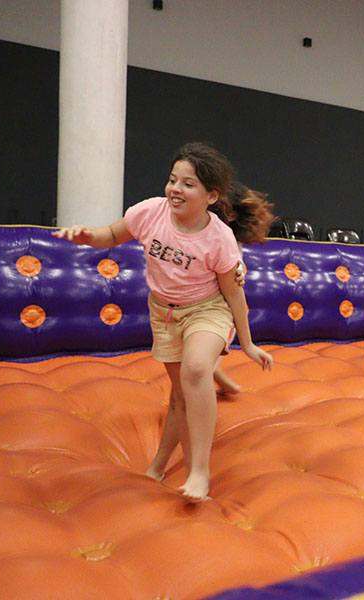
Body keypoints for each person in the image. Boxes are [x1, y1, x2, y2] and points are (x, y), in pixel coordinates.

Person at [53, 142, 273, 502]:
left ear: (211, 196)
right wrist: (88, 237)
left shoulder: (219, 238)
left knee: (196, 368)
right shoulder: (150, 212)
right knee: (181, 395)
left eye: (188, 184)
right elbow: (113, 234)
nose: (175, 189)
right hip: (164, 312)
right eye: (173, 180)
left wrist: (247, 343)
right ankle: (162, 462)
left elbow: (234, 295)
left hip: (207, 309)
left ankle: (199, 471)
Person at [212, 181, 275, 395]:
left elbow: (235, 294)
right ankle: (218, 376)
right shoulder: (209, 235)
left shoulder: (228, 247)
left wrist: (247, 344)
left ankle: (215, 379)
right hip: (196, 314)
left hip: (219, 319)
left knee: (194, 375)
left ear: (230, 215)